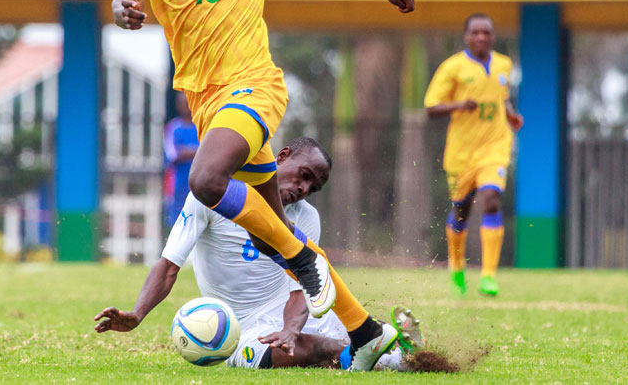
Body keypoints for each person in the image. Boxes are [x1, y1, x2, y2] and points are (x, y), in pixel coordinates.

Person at [111, 0, 414, 370]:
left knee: (206, 182)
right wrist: (124, 2)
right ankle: (367, 334)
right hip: (206, 99)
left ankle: (303, 263)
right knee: (272, 225)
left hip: (253, 85)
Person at [95, 138, 423, 370]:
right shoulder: (213, 194)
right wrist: (137, 314)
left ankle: (405, 353)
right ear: (282, 156)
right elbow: (169, 265)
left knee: (348, 332)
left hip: (289, 313)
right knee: (314, 348)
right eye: (304, 176)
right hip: (239, 328)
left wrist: (291, 327)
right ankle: (399, 362)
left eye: (313, 188)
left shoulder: (306, 218)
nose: (304, 189)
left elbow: (302, 286)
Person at [424, 14, 524, 297]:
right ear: (466, 36)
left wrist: (511, 115)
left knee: (492, 199)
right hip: (461, 153)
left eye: (486, 33)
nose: (481, 37)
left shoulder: (504, 64)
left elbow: (501, 97)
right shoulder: (453, 67)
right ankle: (456, 267)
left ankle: (489, 276)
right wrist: (459, 104)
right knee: (462, 209)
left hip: (495, 147)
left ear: (492, 36)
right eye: (476, 32)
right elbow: (430, 107)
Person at [163, 92, 199, 229]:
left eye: (188, 102)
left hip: (198, 181)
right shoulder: (173, 127)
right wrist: (197, 151)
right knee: (178, 223)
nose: (185, 106)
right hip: (178, 184)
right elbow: (173, 155)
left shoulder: (201, 126)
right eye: (181, 103)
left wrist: (185, 151)